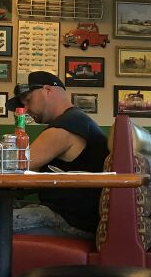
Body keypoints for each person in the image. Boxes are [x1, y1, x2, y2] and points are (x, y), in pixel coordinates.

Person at [8, 70, 109, 238]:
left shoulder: (67, 125)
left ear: (47, 90)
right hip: (72, 218)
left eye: (27, 100)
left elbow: (17, 165)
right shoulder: (77, 120)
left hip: (70, 222)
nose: (25, 110)